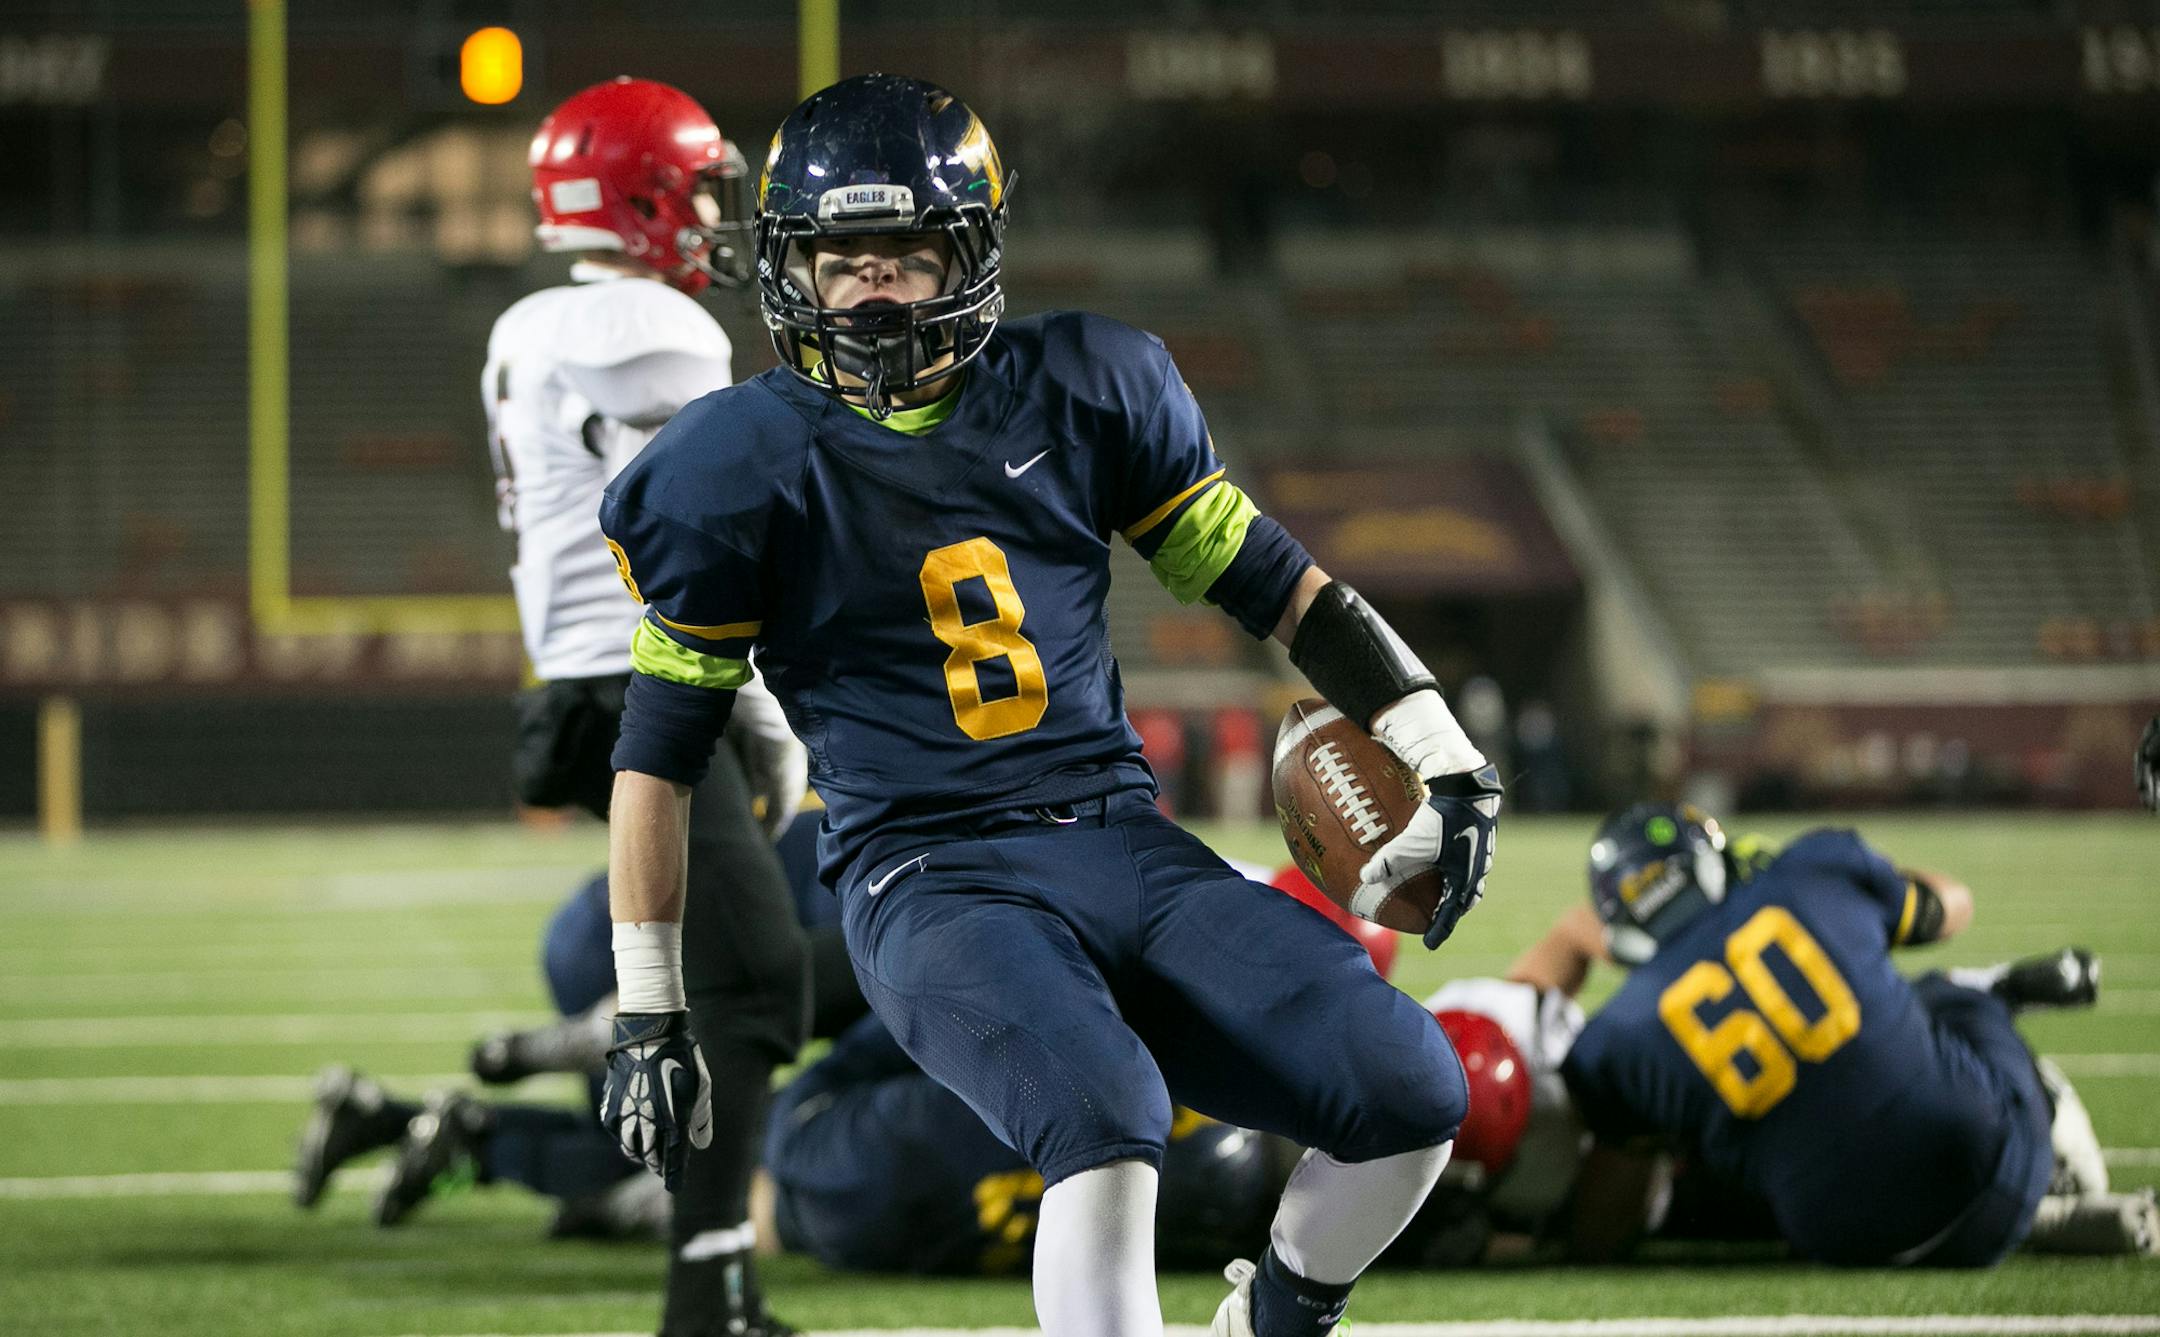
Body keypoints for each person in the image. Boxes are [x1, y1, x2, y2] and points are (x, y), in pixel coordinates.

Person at [594, 73, 1504, 1337]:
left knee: (1412, 1086)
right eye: (842, 261)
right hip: (927, 871)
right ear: (790, 270)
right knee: (1105, 1112)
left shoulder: (1085, 386)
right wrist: (649, 1005)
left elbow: (1280, 587)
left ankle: (1276, 1320)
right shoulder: (729, 464)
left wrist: (1445, 755)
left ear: (969, 255)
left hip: (1116, 836)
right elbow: (656, 756)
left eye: (906, 256)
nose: (873, 290)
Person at [488, 77, 809, 1337]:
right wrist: (761, 702)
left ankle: (709, 1276)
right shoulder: (653, 326)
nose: (719, 219)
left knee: (732, 970)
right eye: (701, 192)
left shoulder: (531, 323)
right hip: (645, 685)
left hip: (579, 684)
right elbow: (699, 540)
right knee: (758, 981)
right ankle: (707, 1293)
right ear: (645, 199)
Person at [1560, 802, 2110, 1267]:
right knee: (1939, 993)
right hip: (2002, 1176)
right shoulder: (1812, 870)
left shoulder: (1616, 1041)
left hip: (1851, 1246)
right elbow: (1951, 907)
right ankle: (2009, 1020)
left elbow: (1602, 1230)